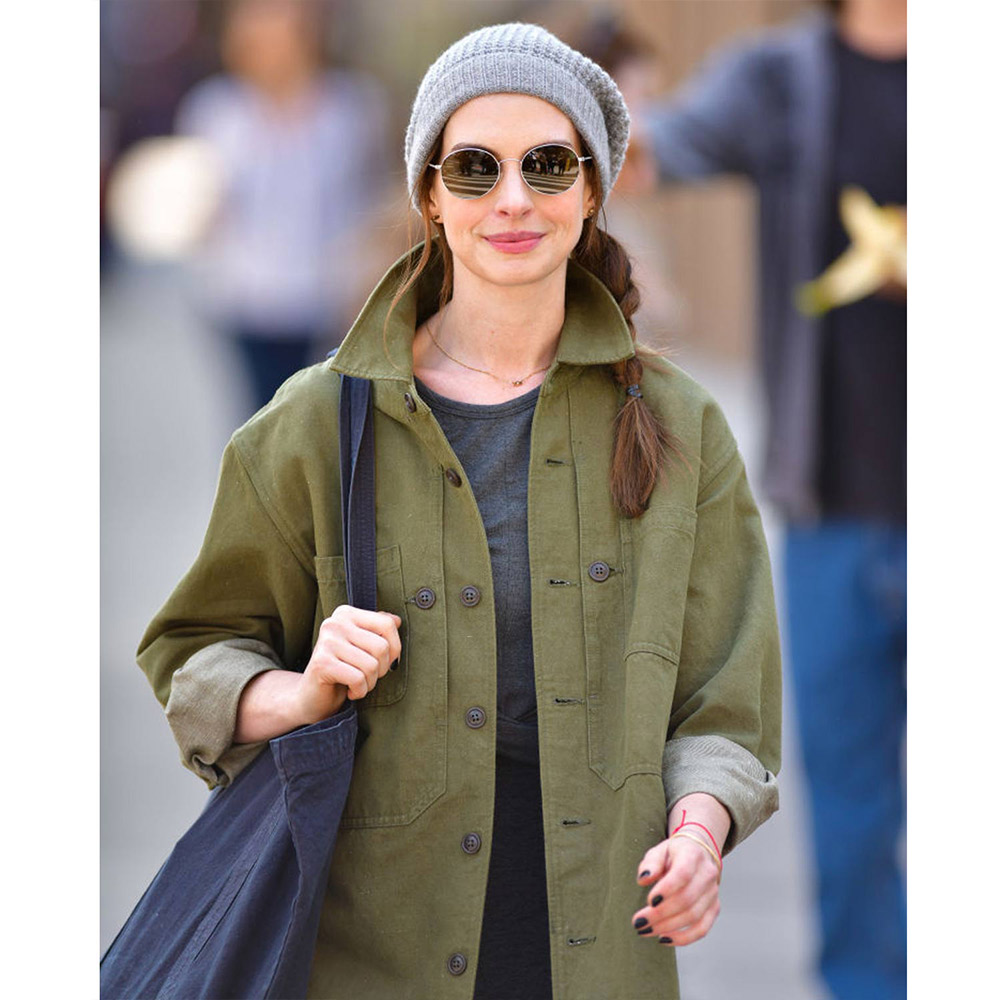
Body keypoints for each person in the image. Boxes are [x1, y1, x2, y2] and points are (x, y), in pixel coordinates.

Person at [137, 22, 782, 999]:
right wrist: (304, 688)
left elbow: (725, 704)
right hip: (368, 949)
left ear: (593, 190)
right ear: (431, 196)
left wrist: (697, 833)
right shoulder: (315, 422)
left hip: (598, 943)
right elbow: (197, 654)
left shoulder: (681, 425)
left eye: (547, 165)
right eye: (475, 168)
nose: (513, 198)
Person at [623, 2, 906, 997]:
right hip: (834, 508)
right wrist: (599, 122)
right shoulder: (781, 76)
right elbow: (653, 152)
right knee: (852, 807)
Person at [174, 0, 390, 415]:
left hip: (329, 299)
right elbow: (198, 202)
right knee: (261, 418)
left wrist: (366, 275)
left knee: (323, 421)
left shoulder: (350, 109)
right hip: (245, 297)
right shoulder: (217, 111)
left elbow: (373, 200)